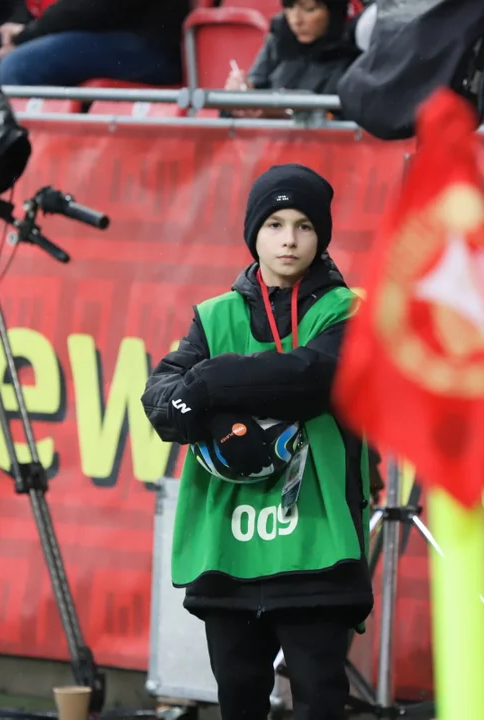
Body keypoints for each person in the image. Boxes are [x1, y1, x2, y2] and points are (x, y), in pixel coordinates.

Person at [141, 164, 374, 719]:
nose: (289, 239)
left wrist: (212, 383)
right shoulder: (214, 315)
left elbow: (313, 377)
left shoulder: (349, 310)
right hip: (231, 546)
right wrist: (206, 409)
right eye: (274, 224)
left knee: (319, 696)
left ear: (321, 236)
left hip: (318, 542)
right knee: (238, 697)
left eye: (303, 226)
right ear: (254, 233)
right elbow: (161, 402)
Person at [0, 0, 189, 88]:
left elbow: (98, 8)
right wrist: (17, 25)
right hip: (67, 31)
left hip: (147, 42)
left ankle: (35, 172)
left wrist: (27, 34)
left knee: (20, 66)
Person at [224, 0, 360, 119]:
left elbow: (344, 121)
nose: (296, 20)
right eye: (289, 7)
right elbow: (255, 85)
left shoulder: (353, 55)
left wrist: (283, 114)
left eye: (309, 9)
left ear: (334, 10)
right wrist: (238, 96)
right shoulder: (279, 40)